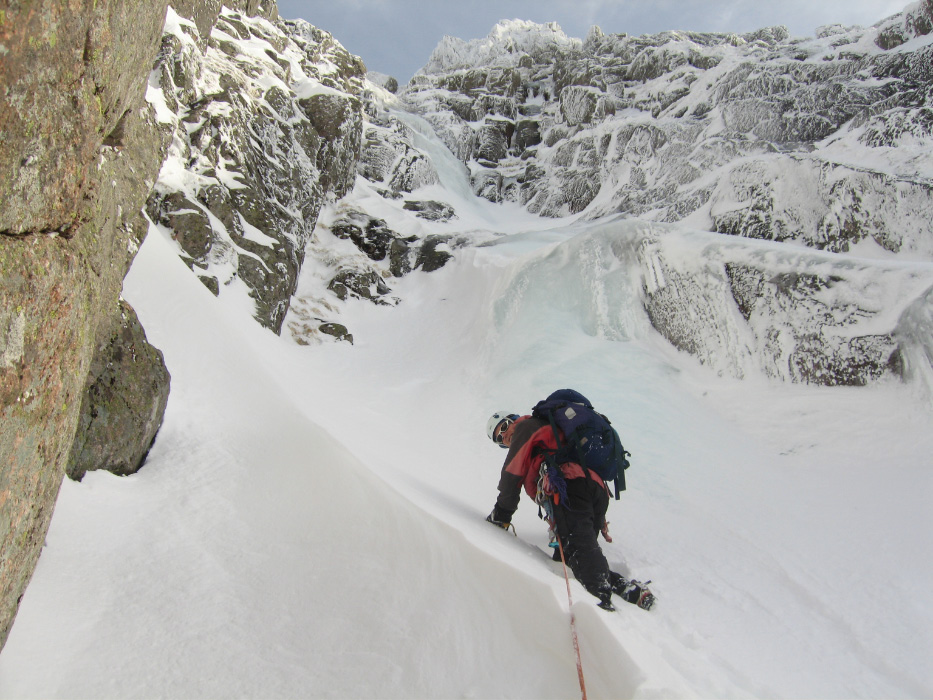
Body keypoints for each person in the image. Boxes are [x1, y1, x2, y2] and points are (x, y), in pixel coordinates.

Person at [485, 409, 655, 611]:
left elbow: (511, 476)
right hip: (589, 490)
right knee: (571, 560)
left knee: (579, 550)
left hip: (570, 486)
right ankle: (628, 589)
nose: (504, 436)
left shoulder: (525, 427)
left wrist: (501, 514)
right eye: (499, 439)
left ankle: (602, 607)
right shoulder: (540, 438)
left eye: (503, 427)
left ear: (513, 420)